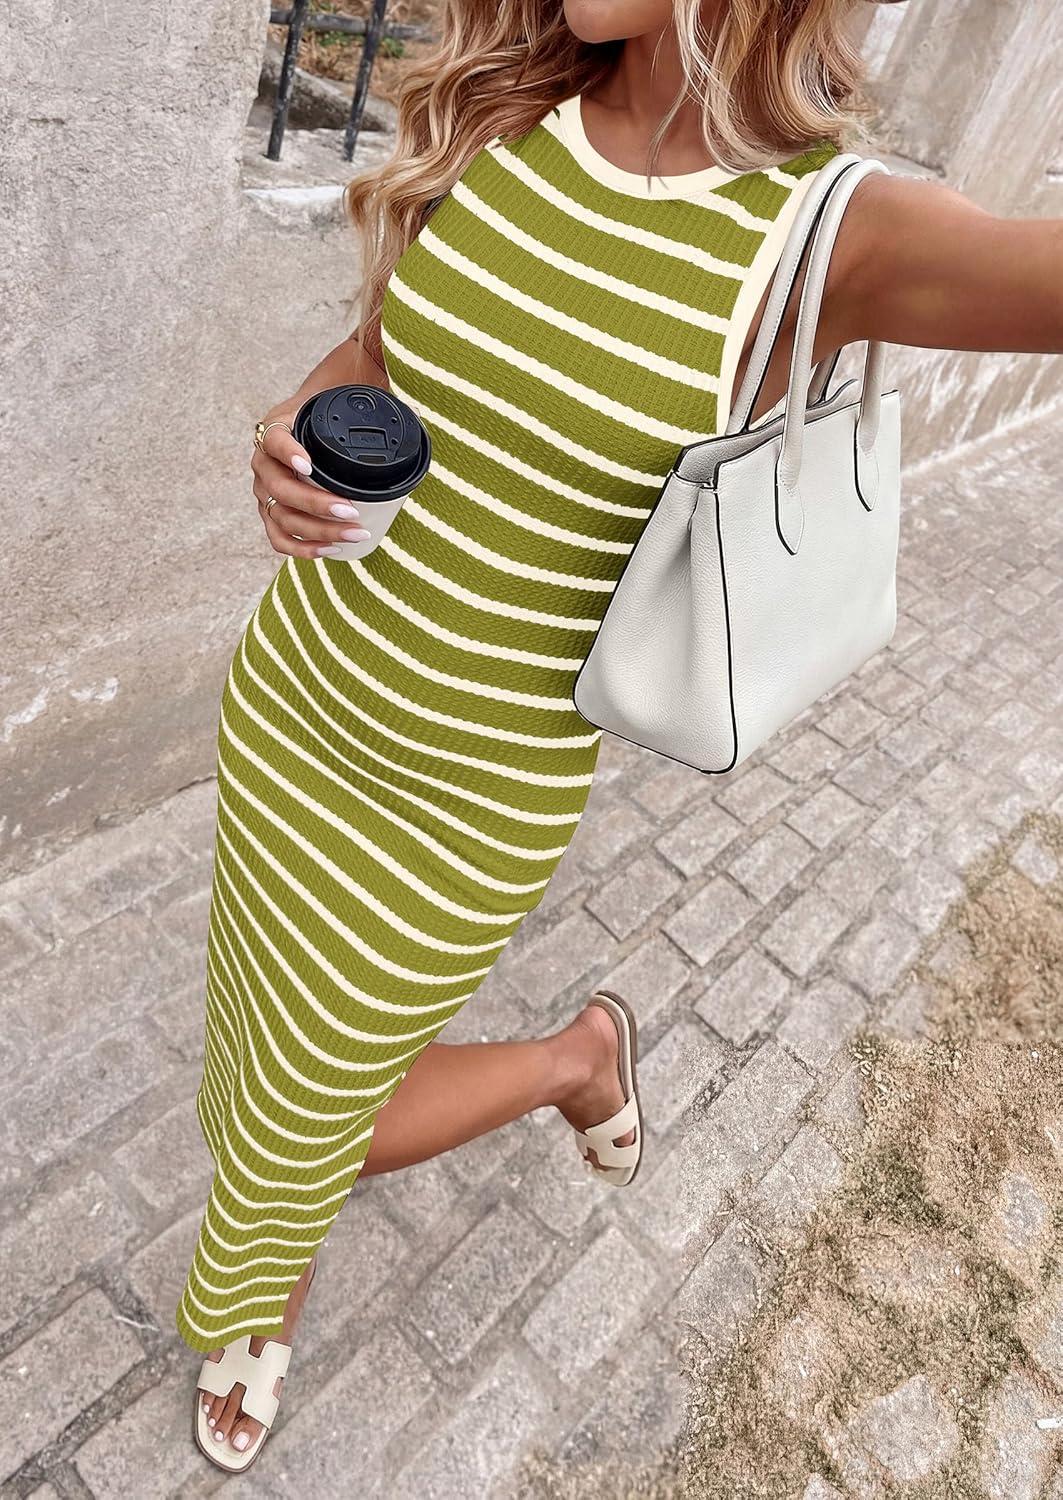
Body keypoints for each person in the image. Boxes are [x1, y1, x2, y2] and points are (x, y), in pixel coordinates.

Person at [181, 0, 1063, 1472]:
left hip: (471, 792)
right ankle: (331, 1237)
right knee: (256, 1052)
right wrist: (294, 428)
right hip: (298, 696)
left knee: (309, 1108)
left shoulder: (830, 231)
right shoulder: (512, 108)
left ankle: (569, 1064)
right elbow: (379, 355)